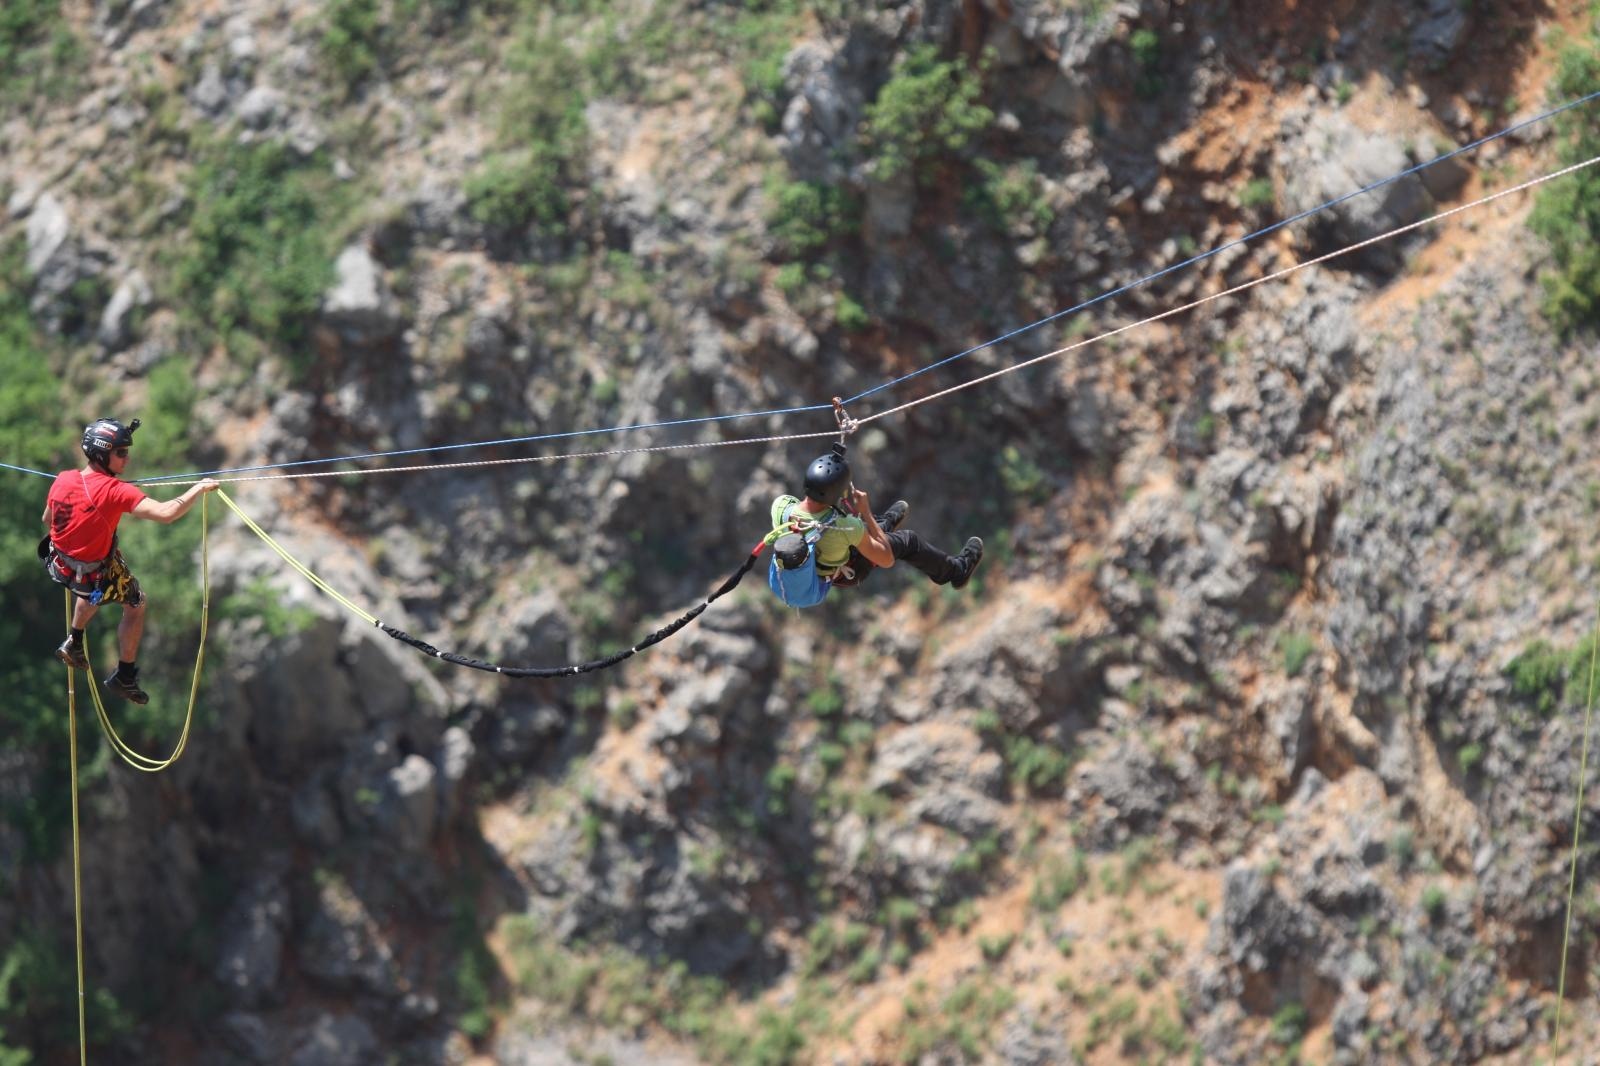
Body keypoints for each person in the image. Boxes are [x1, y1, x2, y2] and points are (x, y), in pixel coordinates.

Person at [40, 418, 220, 705]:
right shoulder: (115, 491)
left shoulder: (63, 478)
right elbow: (166, 513)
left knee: (103, 571)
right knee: (136, 602)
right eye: (121, 452)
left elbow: (47, 520)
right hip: (90, 576)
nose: (127, 458)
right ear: (102, 454)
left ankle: (74, 640)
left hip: (58, 565)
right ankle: (124, 675)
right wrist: (198, 488)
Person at [767, 445, 983, 607]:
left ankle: (884, 525)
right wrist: (866, 512)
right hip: (849, 571)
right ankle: (957, 571)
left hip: (816, 569)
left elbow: (813, 517)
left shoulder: (781, 507)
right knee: (908, 541)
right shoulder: (845, 526)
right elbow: (886, 560)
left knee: (855, 531)